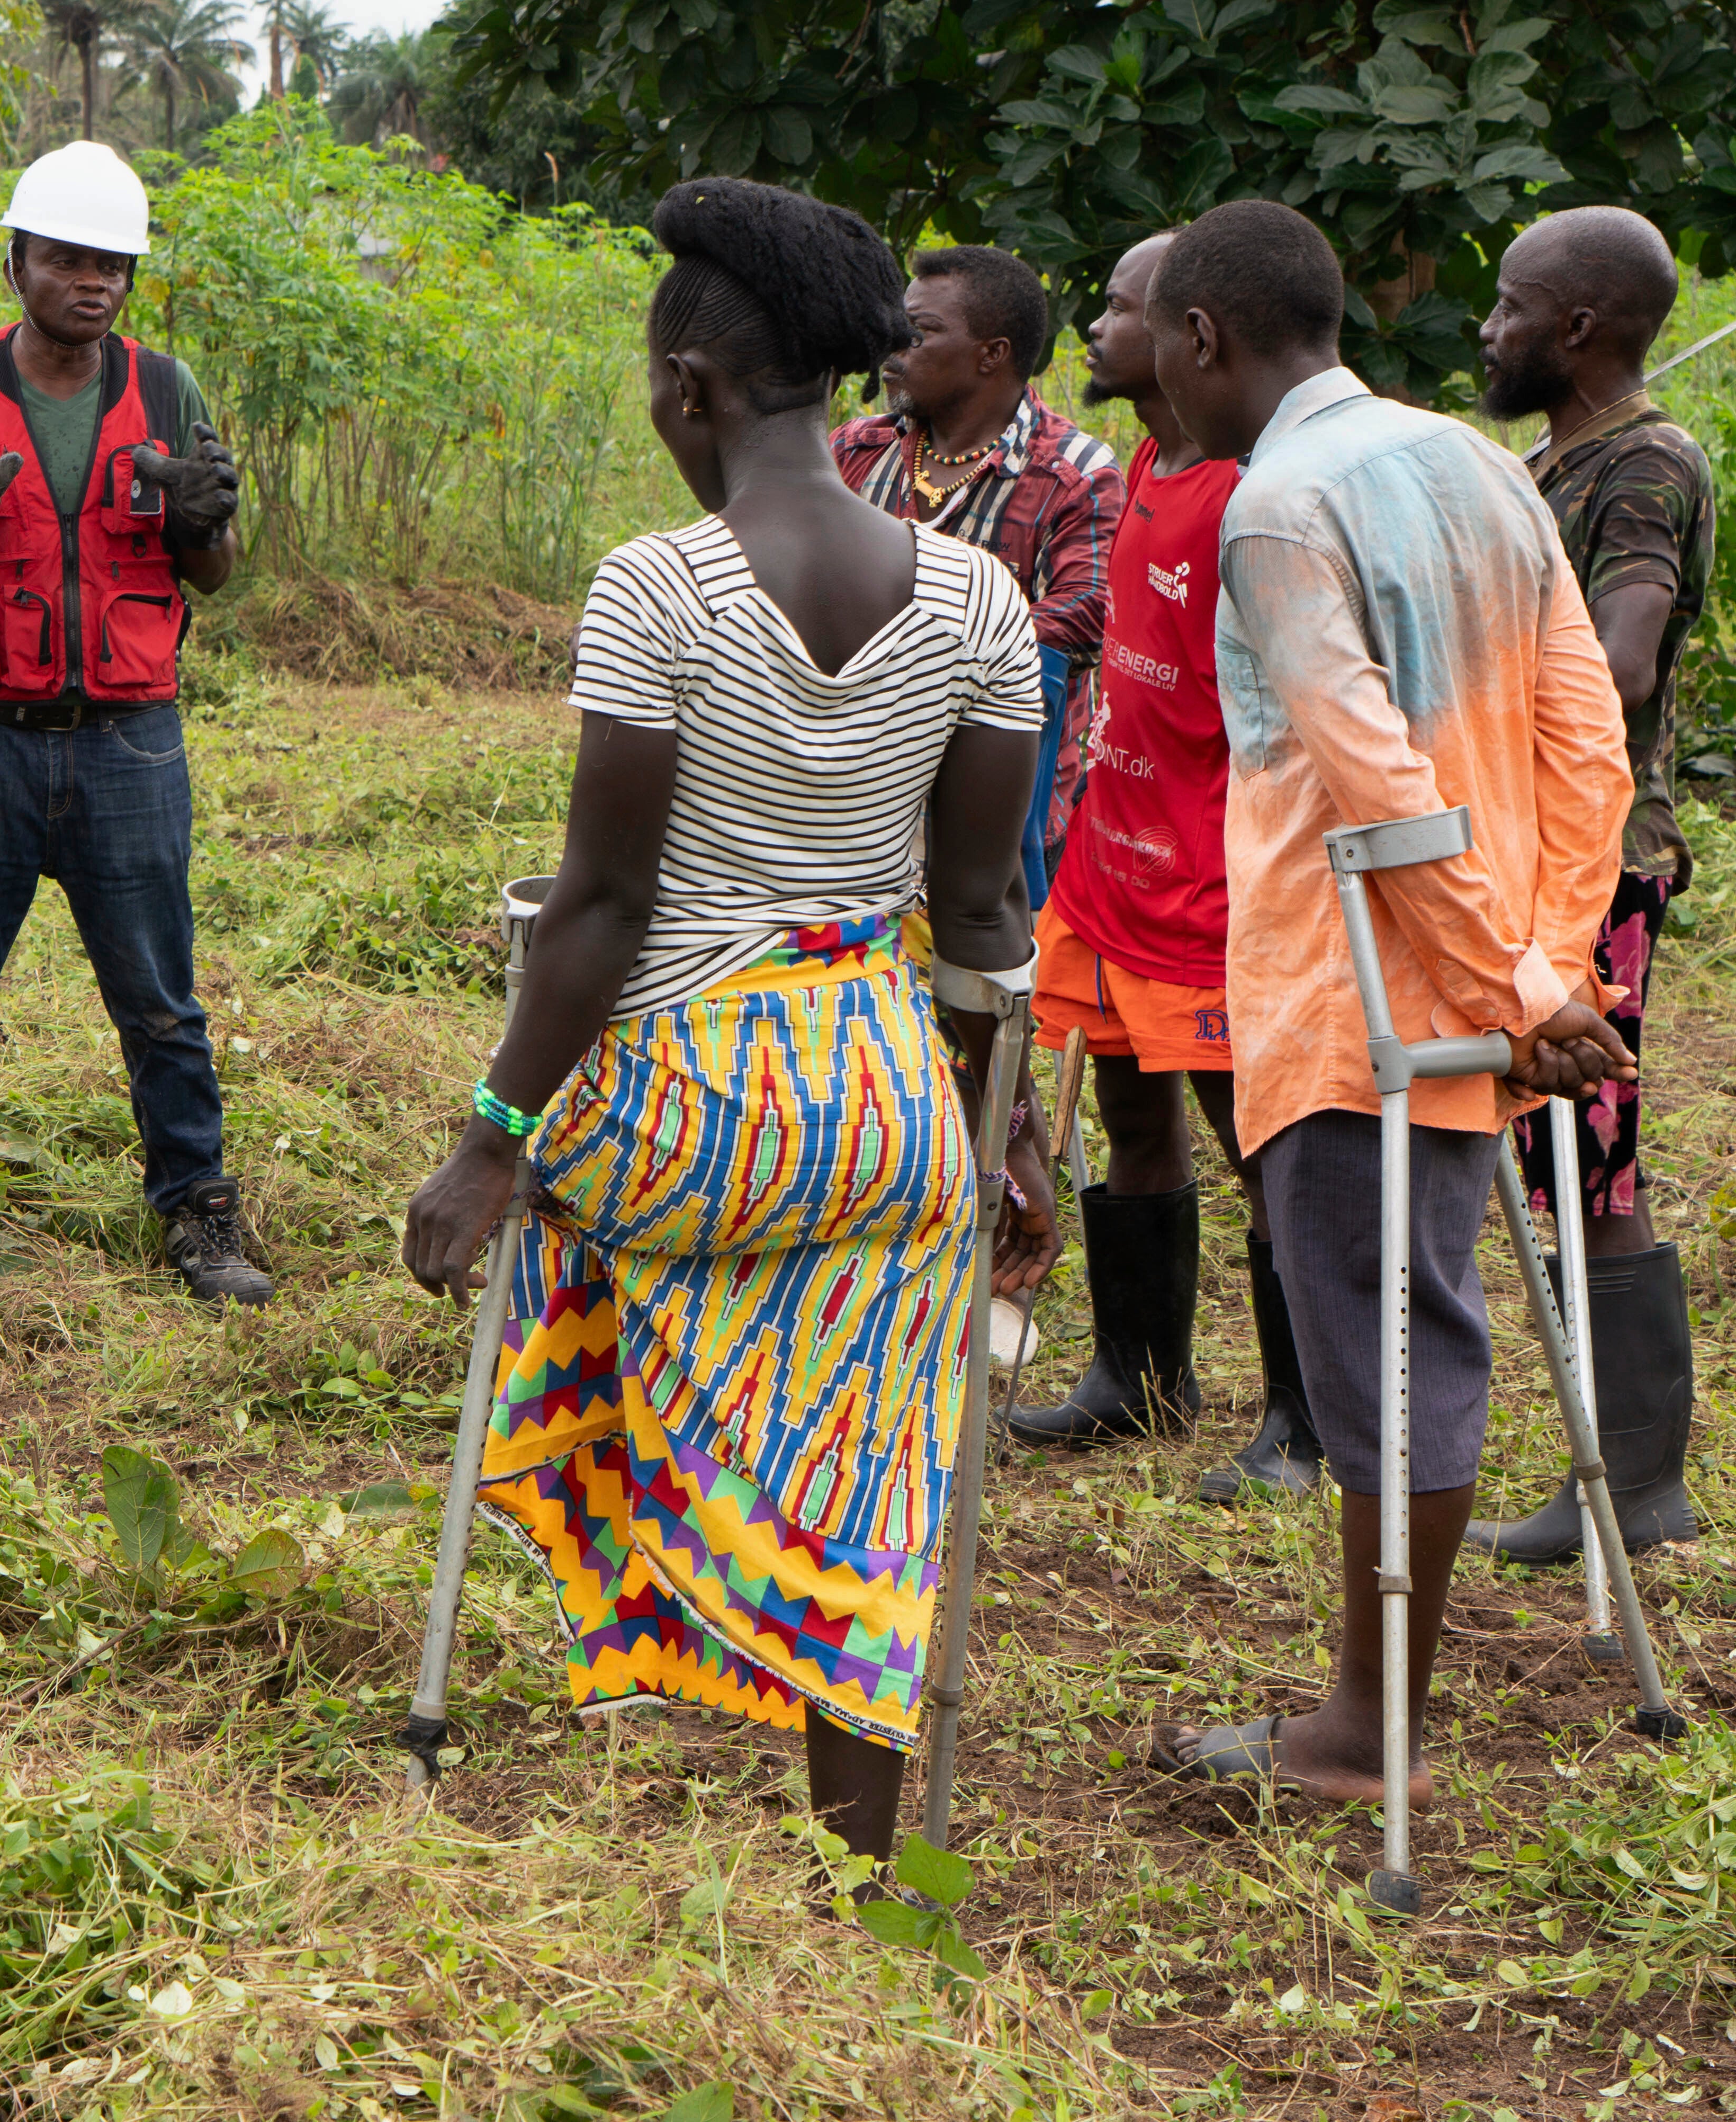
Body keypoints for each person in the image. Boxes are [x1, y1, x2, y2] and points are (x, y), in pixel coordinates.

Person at [402, 176, 1047, 1869]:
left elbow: (601, 911)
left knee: (557, 1225)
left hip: (686, 1118)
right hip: (895, 1100)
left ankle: (648, 1571)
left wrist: (490, 1140)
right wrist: (1005, 1139)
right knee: (875, 1443)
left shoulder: (658, 589)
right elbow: (979, 920)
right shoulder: (980, 602)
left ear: (690, 383)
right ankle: (853, 1857)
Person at [1141, 199, 1632, 1806]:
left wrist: (1512, 978)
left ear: (1207, 337)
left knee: (1387, 1339)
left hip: (1352, 991)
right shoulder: (1477, 461)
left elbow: (1369, 784)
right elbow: (1583, 740)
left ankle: (1362, 1732)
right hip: (1484, 977)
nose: (1142, 362)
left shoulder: (1274, 508)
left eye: (1155, 335)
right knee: (1411, 1313)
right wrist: (1545, 970)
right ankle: (1370, 1705)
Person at [0, 140, 263, 1303]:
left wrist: (203, 520)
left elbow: (215, 572)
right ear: (19, 262)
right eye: (69, 260)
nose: (94, 283)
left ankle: (200, 1215)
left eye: (114, 266)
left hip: (132, 741)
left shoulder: (167, 390)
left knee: (161, 1003)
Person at [1005, 232, 1319, 1491]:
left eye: (1121, 306)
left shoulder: (1254, 494)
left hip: (1214, 884)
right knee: (1129, 1114)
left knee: (1262, 1145)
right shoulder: (1144, 455)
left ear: (1192, 331)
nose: (1094, 325)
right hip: (1111, 863)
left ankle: (1306, 1417)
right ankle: (1140, 1378)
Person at [1470, 205, 1712, 1560]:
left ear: (1577, 327)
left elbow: (1619, 664)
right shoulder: (1562, 460)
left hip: (1596, 859)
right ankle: (1614, 1475)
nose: (1489, 329)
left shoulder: (1644, 471)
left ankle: (1633, 1483)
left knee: (1591, 1161)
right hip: (1541, 846)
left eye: (1511, 306)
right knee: (1563, 1157)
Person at [831, 242, 1121, 910]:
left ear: (991, 353)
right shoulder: (858, 449)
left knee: (981, 982)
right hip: (853, 788)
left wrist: (910, 640)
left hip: (997, 800)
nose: (893, 348)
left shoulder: (1073, 473)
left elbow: (1087, 616)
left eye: (921, 333)